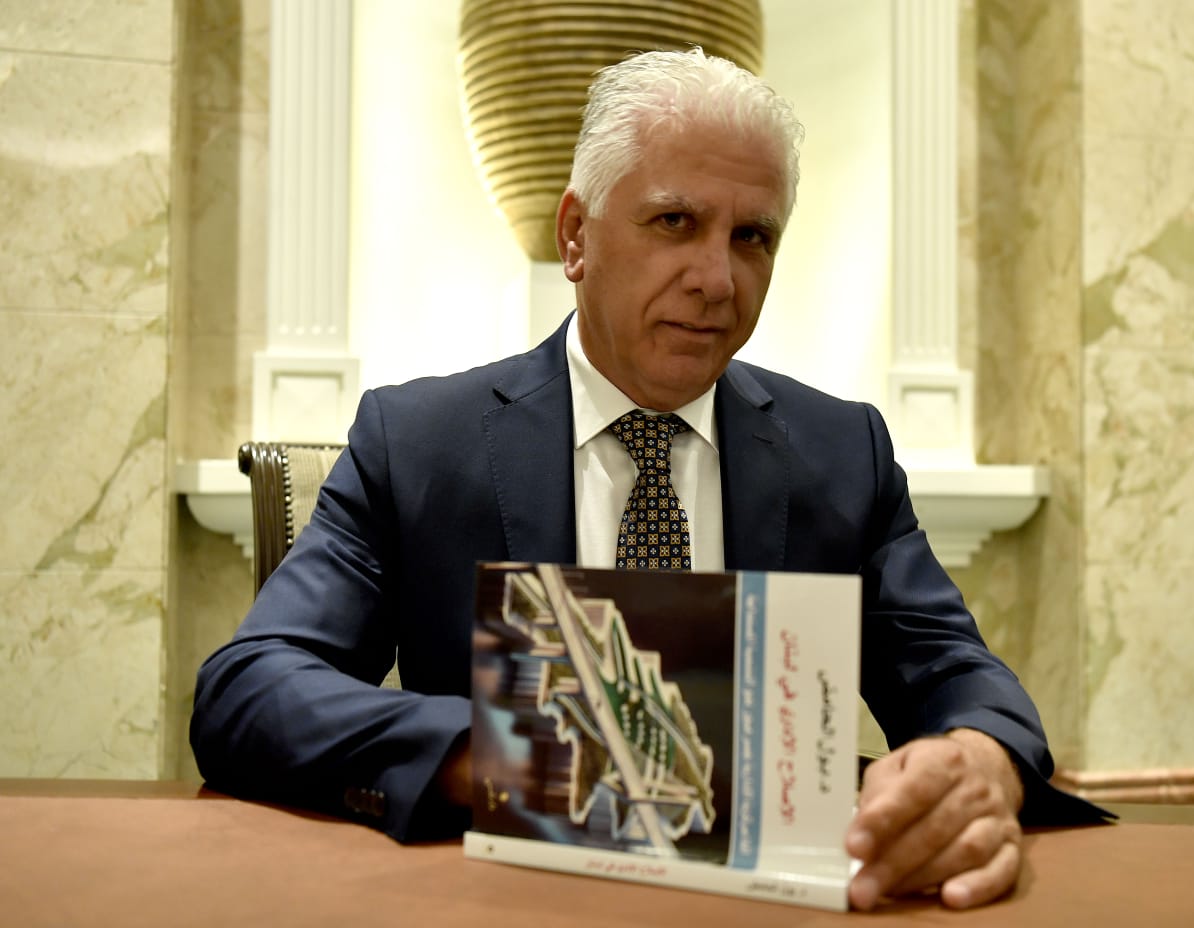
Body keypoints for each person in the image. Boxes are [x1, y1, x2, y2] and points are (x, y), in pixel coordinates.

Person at [191, 47, 1104, 912]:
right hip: (500, 907)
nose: (717, 278)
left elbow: (960, 677)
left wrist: (979, 761)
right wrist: (500, 757)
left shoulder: (839, 453)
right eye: (675, 222)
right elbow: (250, 687)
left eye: (752, 237)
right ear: (576, 237)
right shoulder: (420, 444)